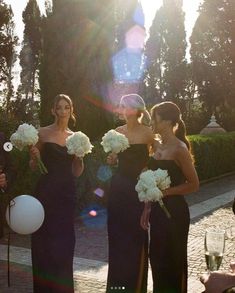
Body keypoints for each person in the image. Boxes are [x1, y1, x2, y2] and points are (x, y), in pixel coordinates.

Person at [141, 101, 199, 293]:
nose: (152, 123)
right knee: (156, 259)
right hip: (158, 212)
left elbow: (193, 184)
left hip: (175, 213)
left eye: (155, 118)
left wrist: (165, 192)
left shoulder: (179, 148)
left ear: (166, 121)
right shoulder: (157, 146)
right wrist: (147, 209)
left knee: (172, 263)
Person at [30, 94, 84, 292]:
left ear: (71, 110)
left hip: (66, 196)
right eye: (59, 107)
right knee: (44, 244)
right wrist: (35, 157)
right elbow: (33, 167)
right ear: (52, 110)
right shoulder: (42, 133)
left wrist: (79, 158)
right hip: (45, 194)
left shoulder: (77, 138)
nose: (62, 111)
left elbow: (77, 172)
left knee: (64, 244)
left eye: (66, 107)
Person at [106, 94, 154, 293]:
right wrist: (111, 159)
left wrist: (150, 174)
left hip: (138, 192)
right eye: (121, 106)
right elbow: (113, 162)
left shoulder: (148, 133)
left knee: (136, 239)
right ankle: (117, 289)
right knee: (117, 241)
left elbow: (158, 159)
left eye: (126, 106)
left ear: (136, 110)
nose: (122, 110)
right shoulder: (117, 132)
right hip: (118, 190)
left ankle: (135, 289)